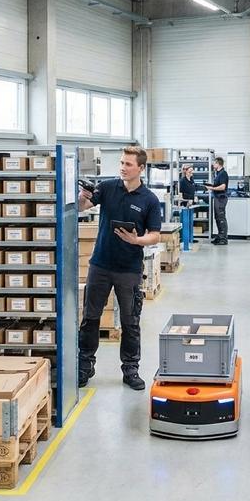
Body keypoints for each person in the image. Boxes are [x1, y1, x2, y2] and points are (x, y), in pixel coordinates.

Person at [77, 146, 162, 391]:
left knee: (130, 321)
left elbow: (155, 235)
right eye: (122, 163)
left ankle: (131, 369)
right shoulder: (107, 187)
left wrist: (136, 240)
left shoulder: (149, 200)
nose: (123, 168)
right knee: (90, 318)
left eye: (128, 164)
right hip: (100, 264)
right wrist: (82, 196)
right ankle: (85, 365)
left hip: (129, 268)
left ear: (141, 168)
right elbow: (82, 207)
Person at [206, 157, 229, 245]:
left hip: (221, 198)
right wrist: (210, 185)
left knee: (221, 218)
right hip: (217, 198)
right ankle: (220, 236)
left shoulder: (223, 173)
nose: (213, 164)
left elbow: (223, 187)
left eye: (214, 163)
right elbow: (218, 184)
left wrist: (211, 188)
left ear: (218, 164)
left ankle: (223, 239)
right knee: (218, 218)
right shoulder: (218, 173)